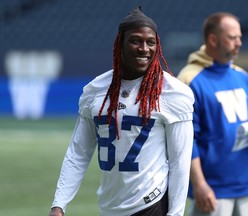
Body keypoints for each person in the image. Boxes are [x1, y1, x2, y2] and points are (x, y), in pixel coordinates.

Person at [48, 6, 194, 216]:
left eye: (150, 42)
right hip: (109, 207)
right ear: (120, 44)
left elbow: (180, 160)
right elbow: (78, 152)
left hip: (151, 205)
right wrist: (59, 204)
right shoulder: (95, 90)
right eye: (136, 40)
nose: (144, 48)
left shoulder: (173, 92)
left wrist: (176, 213)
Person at [177, 12, 248, 216]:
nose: (239, 43)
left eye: (240, 37)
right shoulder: (190, 79)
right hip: (212, 188)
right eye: (232, 37)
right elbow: (186, 140)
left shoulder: (242, 76)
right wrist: (199, 184)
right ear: (213, 39)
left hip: (245, 185)